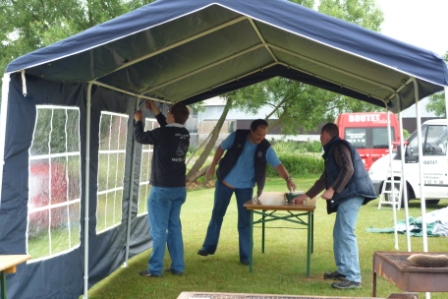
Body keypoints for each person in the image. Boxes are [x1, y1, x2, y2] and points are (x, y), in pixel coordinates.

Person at [197, 119, 297, 265]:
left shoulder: (265, 147)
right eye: (258, 135)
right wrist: (212, 166)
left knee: (245, 221)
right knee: (217, 215)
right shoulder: (237, 136)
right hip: (225, 182)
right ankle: (208, 247)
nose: (261, 138)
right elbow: (221, 148)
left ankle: (246, 256)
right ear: (251, 131)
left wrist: (288, 178)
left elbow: (277, 164)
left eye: (264, 135)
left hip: (245, 187)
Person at [292, 123, 376, 289]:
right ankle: (343, 271)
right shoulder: (332, 150)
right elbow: (324, 178)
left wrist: (332, 190)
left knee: (346, 233)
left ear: (325, 134)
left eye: (320, 134)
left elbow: (349, 169)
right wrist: (306, 196)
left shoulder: (339, 146)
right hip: (348, 193)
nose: (319, 138)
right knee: (339, 233)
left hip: (352, 193)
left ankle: (354, 278)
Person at [134, 100, 190, 277]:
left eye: (168, 112)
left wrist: (138, 121)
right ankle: (178, 267)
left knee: (158, 231)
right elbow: (168, 127)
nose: (165, 114)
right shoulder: (184, 133)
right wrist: (155, 110)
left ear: (172, 115)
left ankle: (155, 269)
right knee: (174, 228)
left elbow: (140, 137)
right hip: (179, 189)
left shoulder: (164, 132)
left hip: (162, 191)